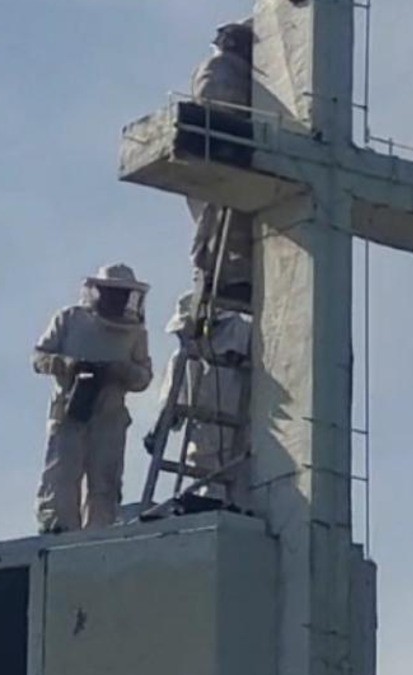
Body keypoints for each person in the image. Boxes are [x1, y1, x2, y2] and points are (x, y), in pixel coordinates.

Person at [33, 263, 153, 534]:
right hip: (69, 411)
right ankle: (58, 530)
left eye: (123, 294)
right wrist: (68, 364)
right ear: (99, 291)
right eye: (113, 292)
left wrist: (119, 371)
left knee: (105, 481)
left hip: (109, 417)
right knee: (61, 475)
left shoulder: (135, 333)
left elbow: (144, 377)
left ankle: (100, 534)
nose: (118, 299)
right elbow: (39, 357)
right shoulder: (69, 319)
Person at [153, 291, 252, 507]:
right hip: (201, 427)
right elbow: (172, 398)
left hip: (239, 421)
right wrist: (159, 429)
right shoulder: (183, 356)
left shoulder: (242, 332)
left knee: (239, 471)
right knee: (202, 463)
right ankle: (208, 501)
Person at [187, 20, 257, 304]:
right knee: (219, 221)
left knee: (234, 225)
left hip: (236, 157)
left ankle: (235, 277)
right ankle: (220, 275)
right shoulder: (221, 67)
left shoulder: (243, 73)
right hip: (221, 154)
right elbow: (218, 104)